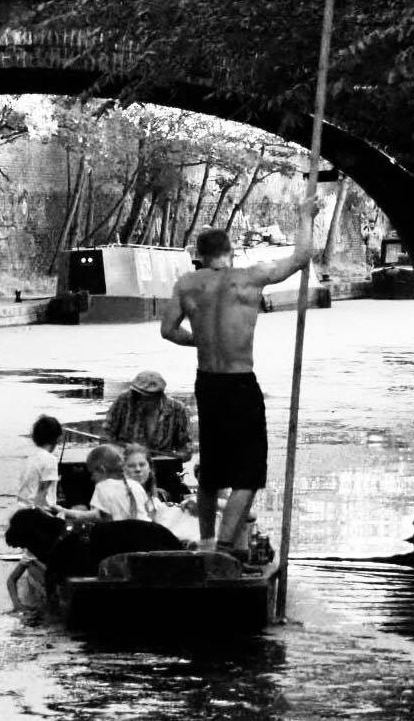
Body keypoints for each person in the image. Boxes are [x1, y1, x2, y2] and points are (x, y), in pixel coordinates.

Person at [160, 197, 320, 561]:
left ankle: (204, 545)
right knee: (248, 475)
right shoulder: (251, 277)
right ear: (230, 252)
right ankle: (225, 549)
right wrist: (304, 215)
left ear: (199, 255)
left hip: (207, 383)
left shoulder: (187, 284)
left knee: (212, 471)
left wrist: (198, 339)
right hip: (239, 382)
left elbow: (168, 330)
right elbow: (301, 256)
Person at [102, 370, 195, 502]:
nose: (139, 400)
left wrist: (178, 456)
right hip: (127, 466)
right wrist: (120, 452)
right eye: (137, 395)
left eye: (145, 397)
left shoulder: (177, 409)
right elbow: (107, 434)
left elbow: (186, 448)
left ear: (159, 396)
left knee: (168, 496)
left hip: (162, 469)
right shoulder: (124, 401)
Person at [7, 415, 64, 611]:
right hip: (37, 514)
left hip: (23, 511)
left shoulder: (31, 458)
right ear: (57, 439)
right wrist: (47, 517)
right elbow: (42, 494)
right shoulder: (50, 460)